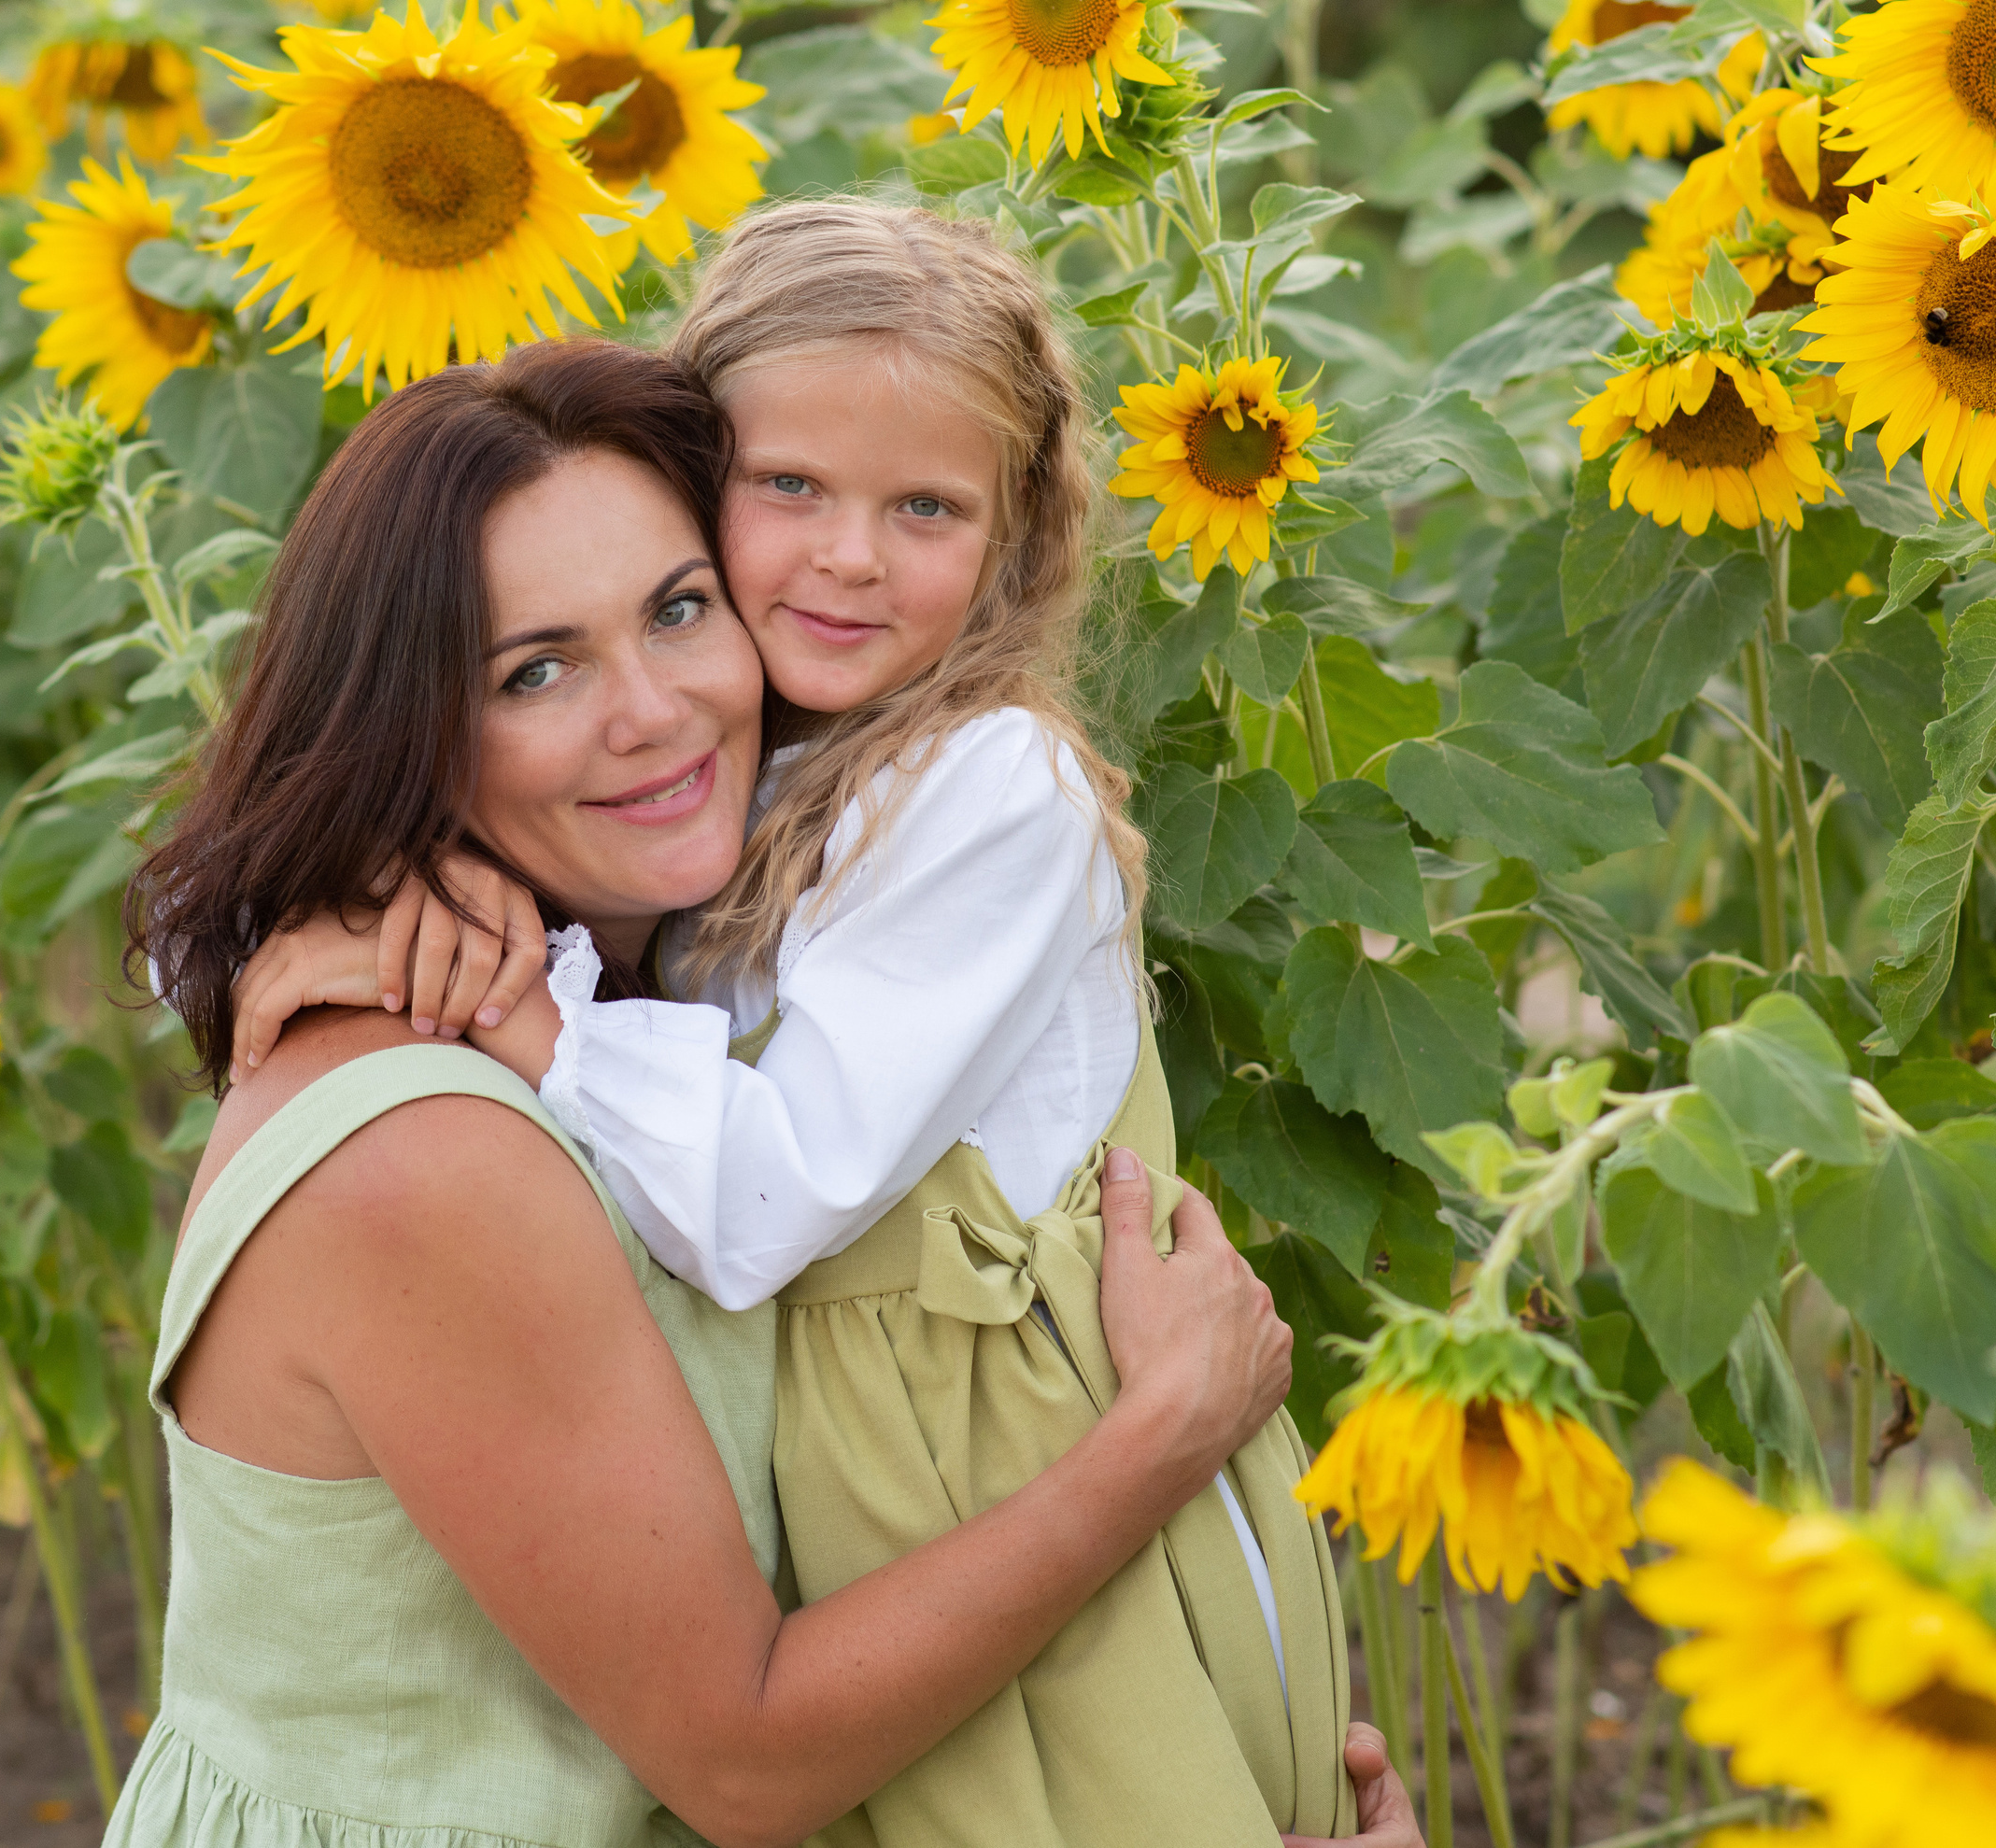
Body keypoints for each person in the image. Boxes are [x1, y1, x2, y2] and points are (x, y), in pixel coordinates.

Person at [120, 339, 1405, 1848]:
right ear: (412, 732)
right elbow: (746, 1761)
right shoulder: (427, 1151)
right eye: (537, 670)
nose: (656, 711)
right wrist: (1163, 1434)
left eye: (678, 611)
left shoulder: (637, 1005)